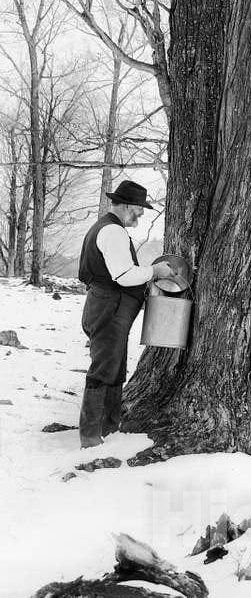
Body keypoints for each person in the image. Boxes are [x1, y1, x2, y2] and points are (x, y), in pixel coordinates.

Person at [77, 181, 175, 449]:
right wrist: (155, 272)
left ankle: (109, 428)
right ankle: (90, 436)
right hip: (109, 308)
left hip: (108, 307)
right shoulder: (113, 232)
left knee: (115, 366)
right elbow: (123, 275)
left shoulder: (108, 228)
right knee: (103, 368)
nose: (141, 214)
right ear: (128, 205)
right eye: (139, 209)